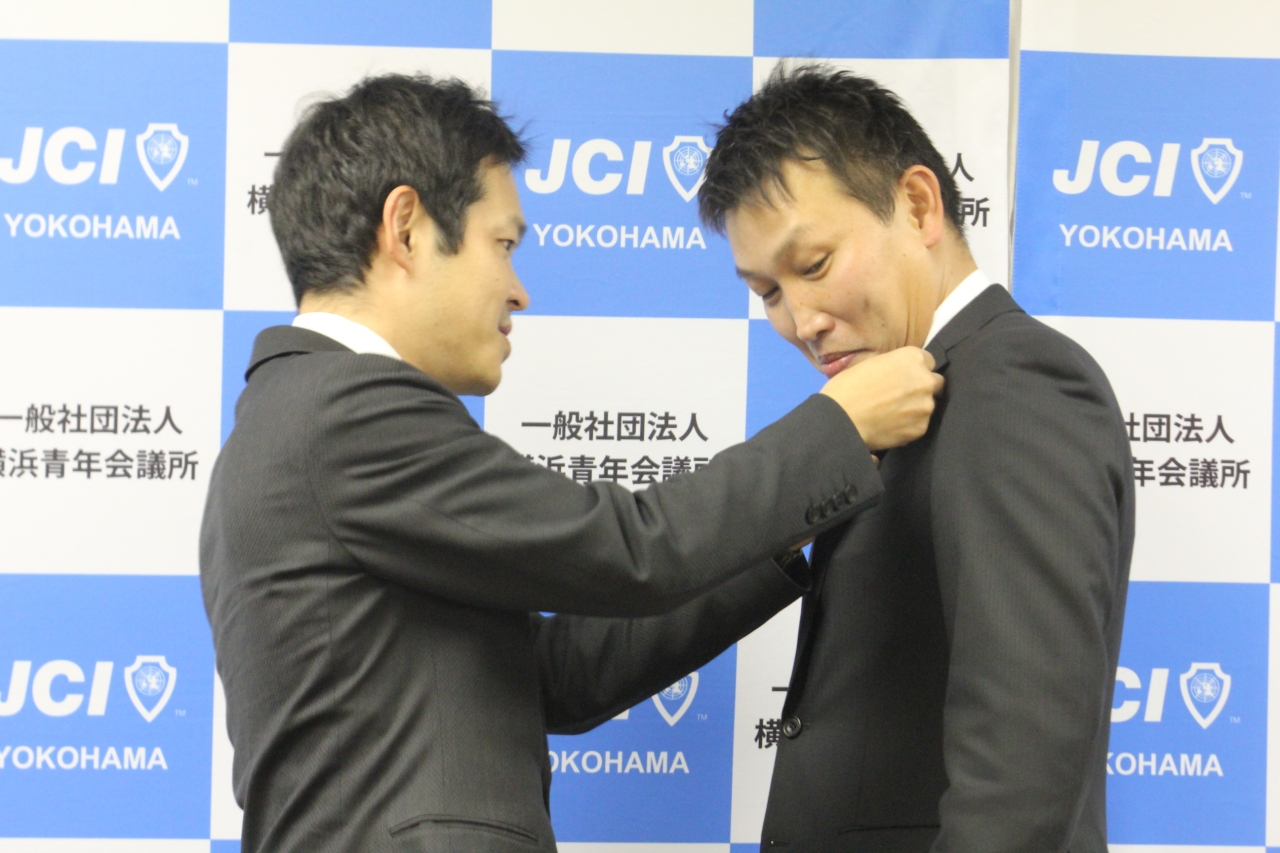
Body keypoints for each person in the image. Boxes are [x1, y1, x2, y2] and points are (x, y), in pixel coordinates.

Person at [199, 74, 943, 853]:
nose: (518, 292)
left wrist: (781, 534)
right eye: (503, 244)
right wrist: (837, 428)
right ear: (406, 228)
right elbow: (630, 547)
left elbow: (561, 676)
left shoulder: (302, 416)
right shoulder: (342, 411)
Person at [695, 66, 1134, 851]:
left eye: (814, 264)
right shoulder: (886, 407)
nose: (801, 320)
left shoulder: (1016, 384)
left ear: (920, 205)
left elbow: (1022, 765)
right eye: (767, 293)